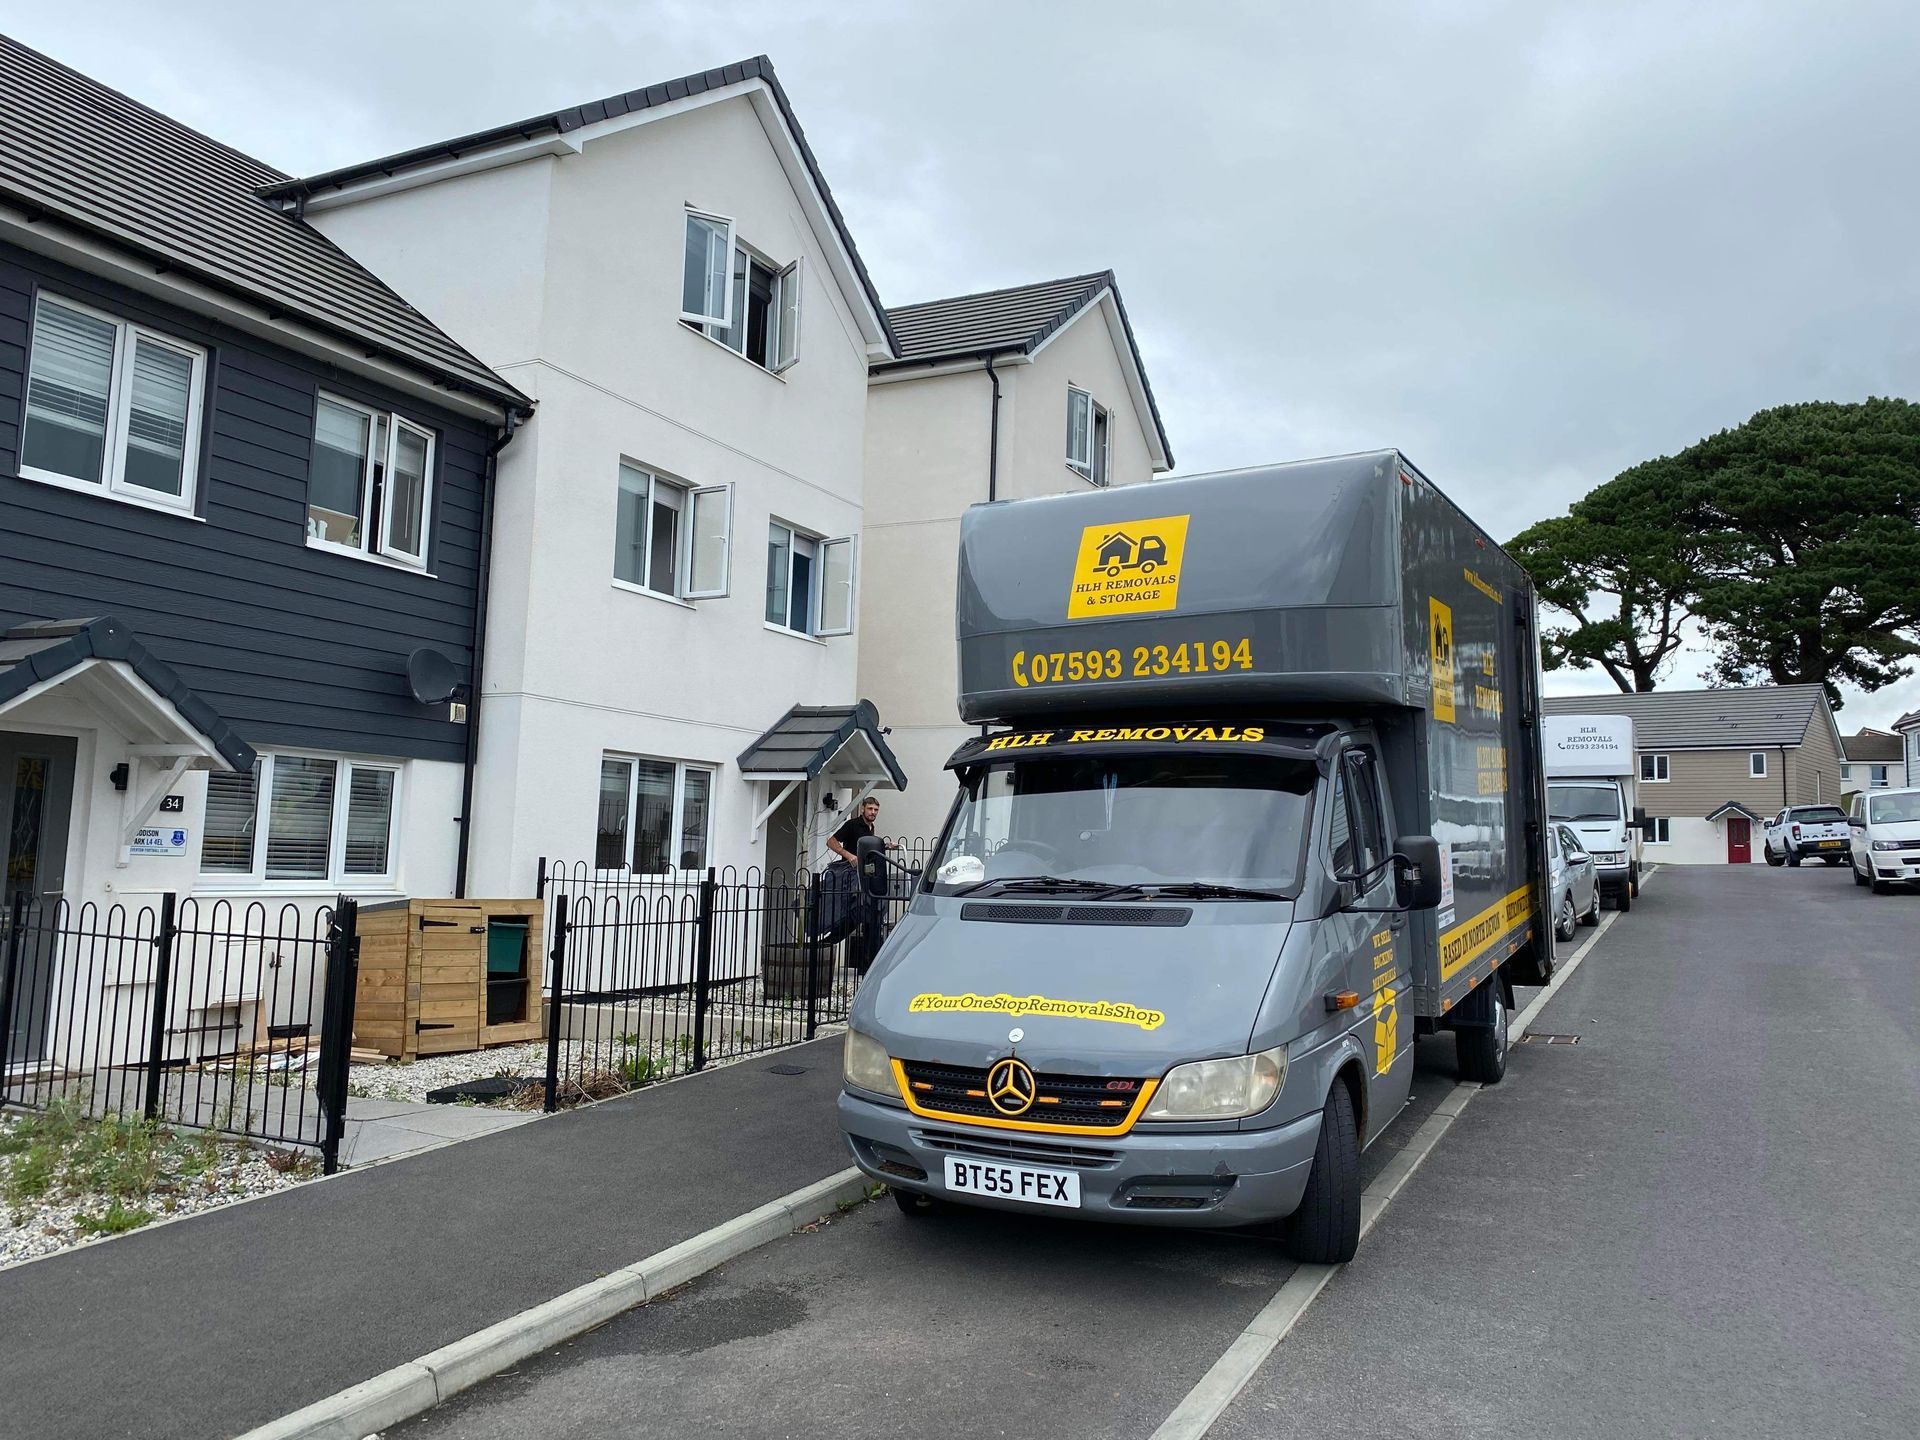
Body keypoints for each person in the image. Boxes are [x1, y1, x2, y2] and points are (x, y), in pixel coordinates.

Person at [826, 796, 891, 865]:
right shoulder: (852, 824)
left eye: (876, 810)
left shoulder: (871, 827)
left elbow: (867, 847)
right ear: (862, 809)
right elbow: (831, 842)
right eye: (870, 809)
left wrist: (886, 846)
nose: (873, 812)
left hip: (865, 870)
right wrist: (849, 856)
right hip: (850, 870)